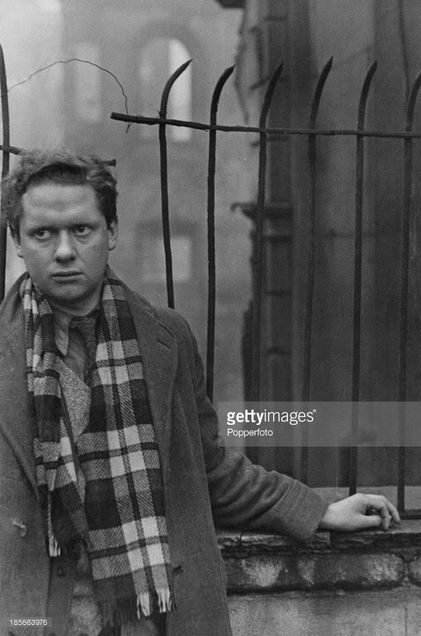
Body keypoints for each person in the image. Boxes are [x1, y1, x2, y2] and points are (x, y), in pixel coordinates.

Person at [0, 149, 400, 636]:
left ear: (113, 233)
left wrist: (318, 510)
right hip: (29, 616)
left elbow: (208, 470)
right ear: (17, 241)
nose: (64, 250)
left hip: (153, 617)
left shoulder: (166, 337)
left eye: (81, 230)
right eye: (43, 233)